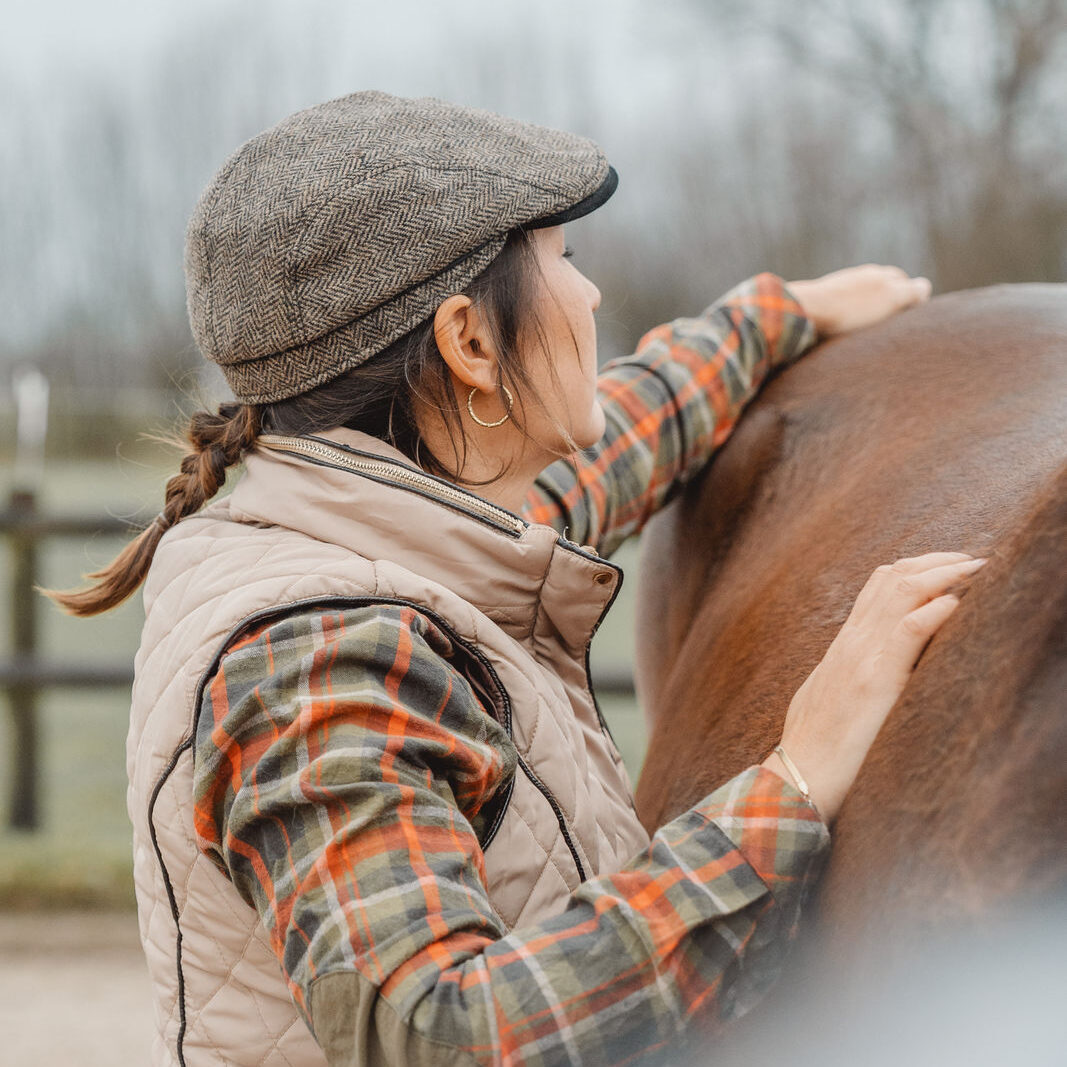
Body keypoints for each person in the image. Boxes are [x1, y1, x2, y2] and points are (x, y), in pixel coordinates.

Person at [49, 92, 983, 1066]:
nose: (585, 298)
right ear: (469, 342)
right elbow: (450, 1031)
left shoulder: (402, 517)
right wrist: (792, 780)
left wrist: (765, 317)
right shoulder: (318, 659)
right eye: (561, 263)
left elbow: (625, 431)